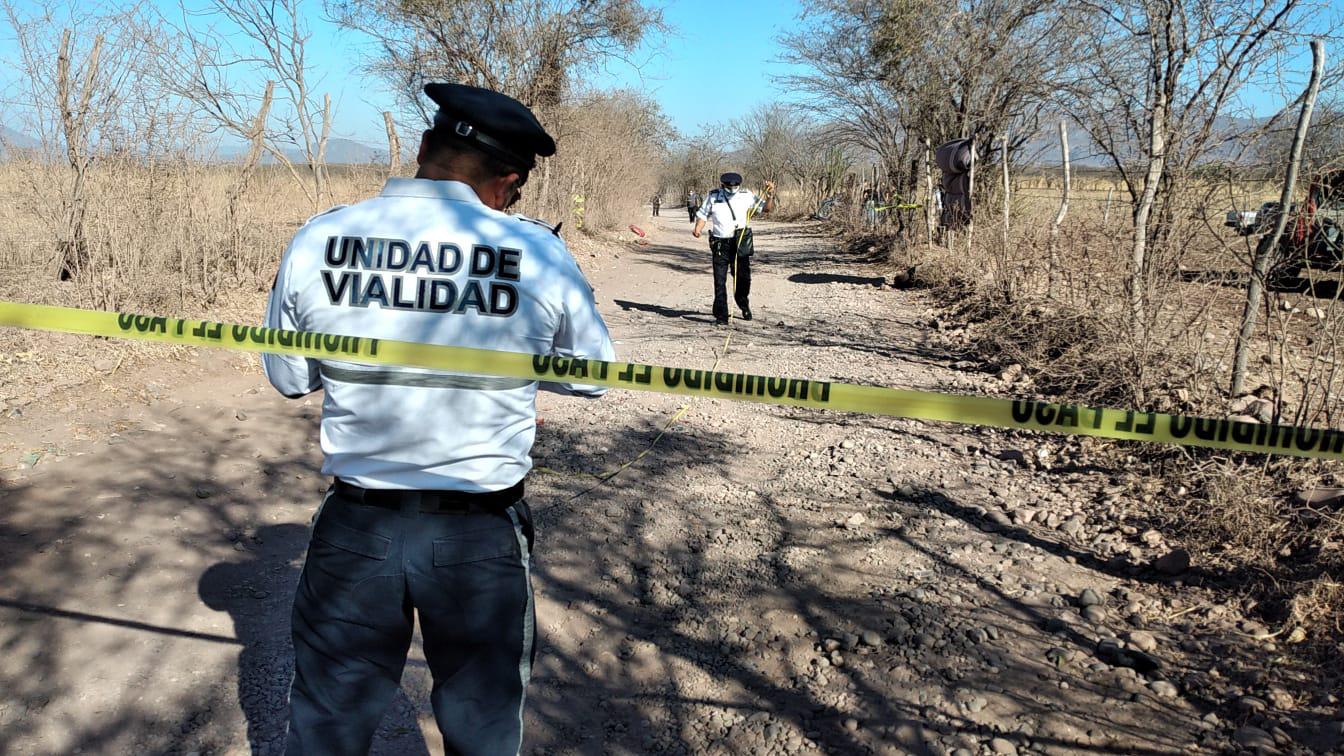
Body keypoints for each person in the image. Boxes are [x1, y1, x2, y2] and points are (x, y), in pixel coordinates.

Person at [262, 82, 615, 756]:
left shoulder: (322, 236)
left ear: (424, 147)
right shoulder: (537, 252)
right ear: (509, 182)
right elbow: (593, 375)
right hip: (478, 536)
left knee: (326, 726)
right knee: (483, 729)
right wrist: (509, 361)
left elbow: (289, 378)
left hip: (356, 528)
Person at [692, 172, 774, 325]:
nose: (732, 189)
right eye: (729, 187)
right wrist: (698, 228)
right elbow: (703, 214)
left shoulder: (746, 195)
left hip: (740, 241)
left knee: (743, 278)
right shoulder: (713, 196)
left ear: (739, 185)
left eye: (735, 186)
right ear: (723, 185)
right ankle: (721, 315)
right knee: (719, 280)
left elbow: (766, 209)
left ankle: (743, 304)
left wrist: (769, 195)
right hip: (720, 244)